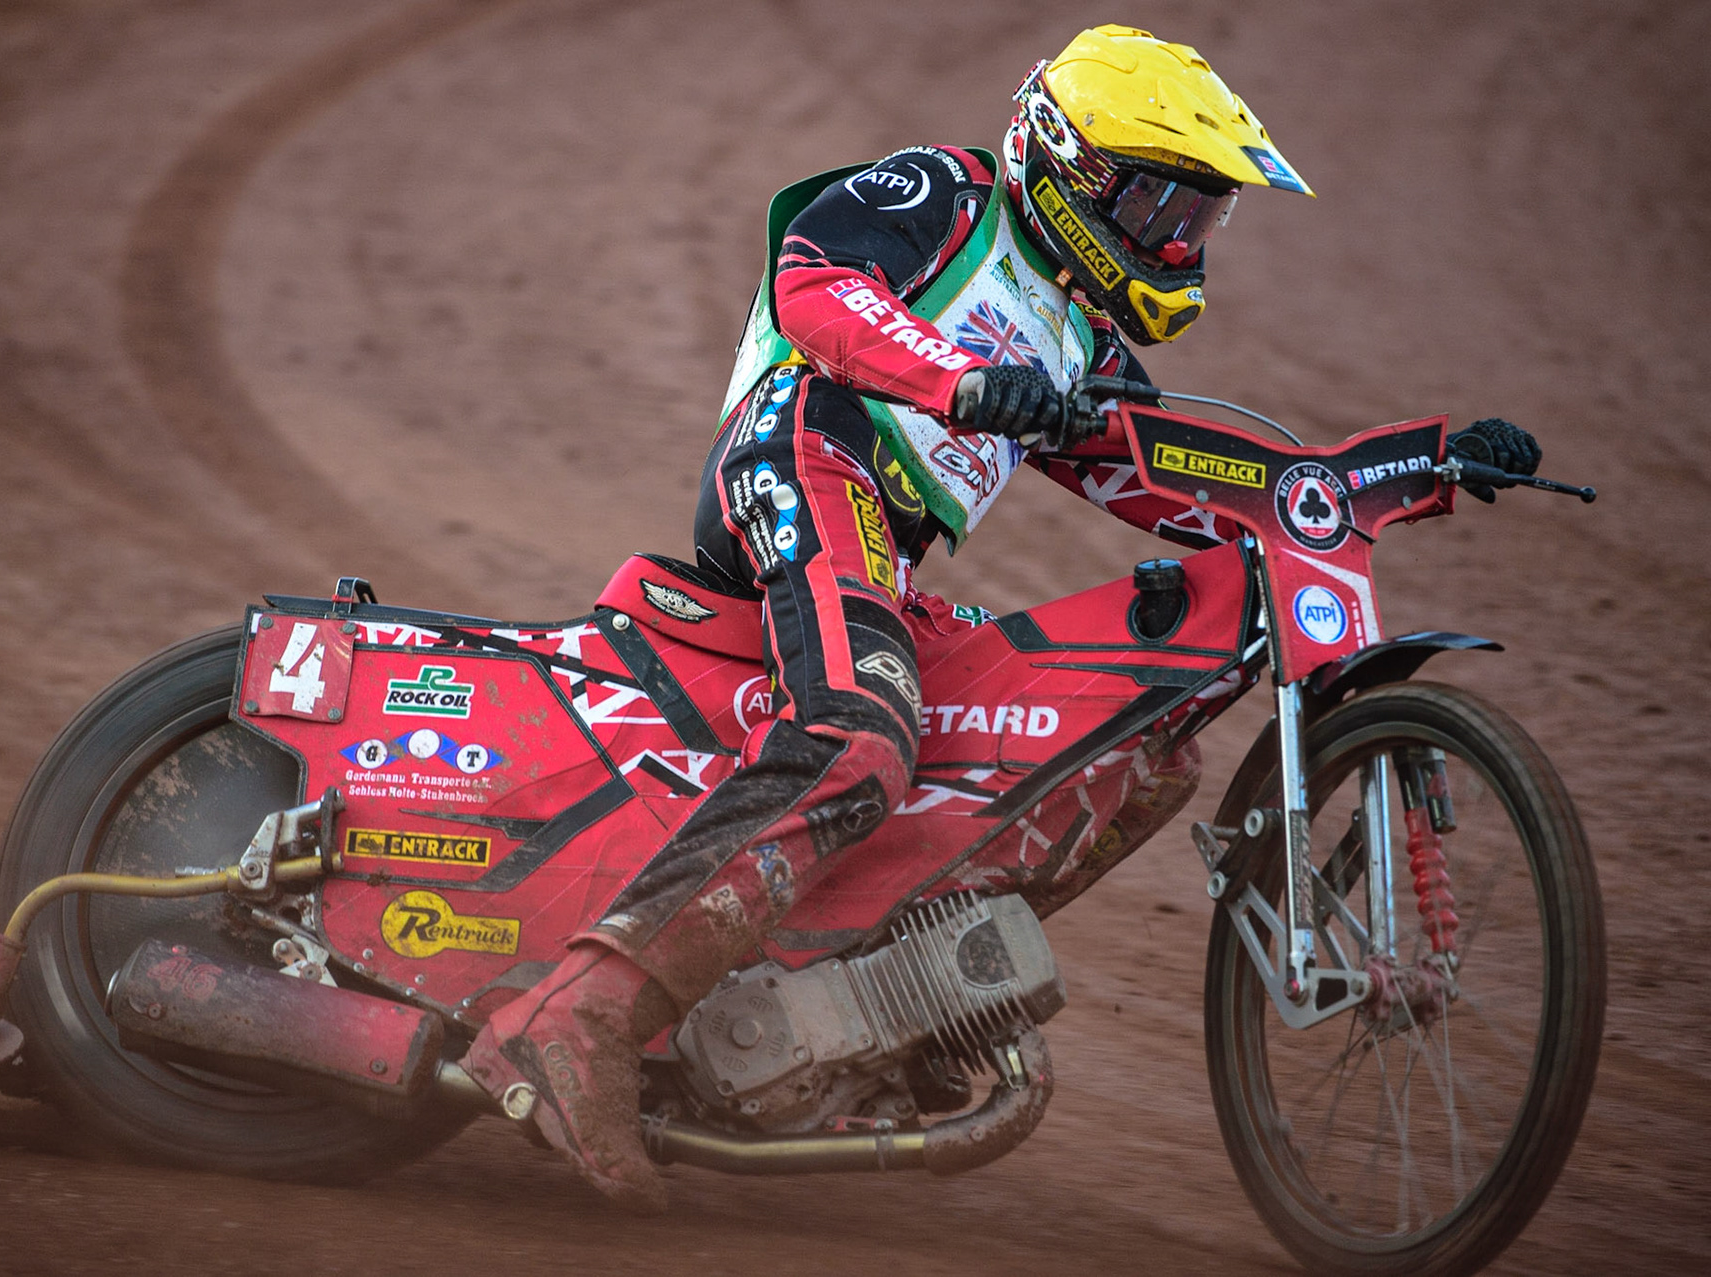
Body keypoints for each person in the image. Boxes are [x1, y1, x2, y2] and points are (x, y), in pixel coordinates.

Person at [458, 23, 1540, 1211]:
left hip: (890, 550)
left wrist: (1416, 463)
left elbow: (1185, 473)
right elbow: (811, 285)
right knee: (864, 731)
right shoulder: (948, 191)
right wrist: (957, 380)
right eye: (1167, 206)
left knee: (1130, 747)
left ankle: (874, 997)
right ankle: (579, 1015)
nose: (1184, 241)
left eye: (1201, 218)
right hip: (807, 456)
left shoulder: (1081, 333)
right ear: (1072, 169)